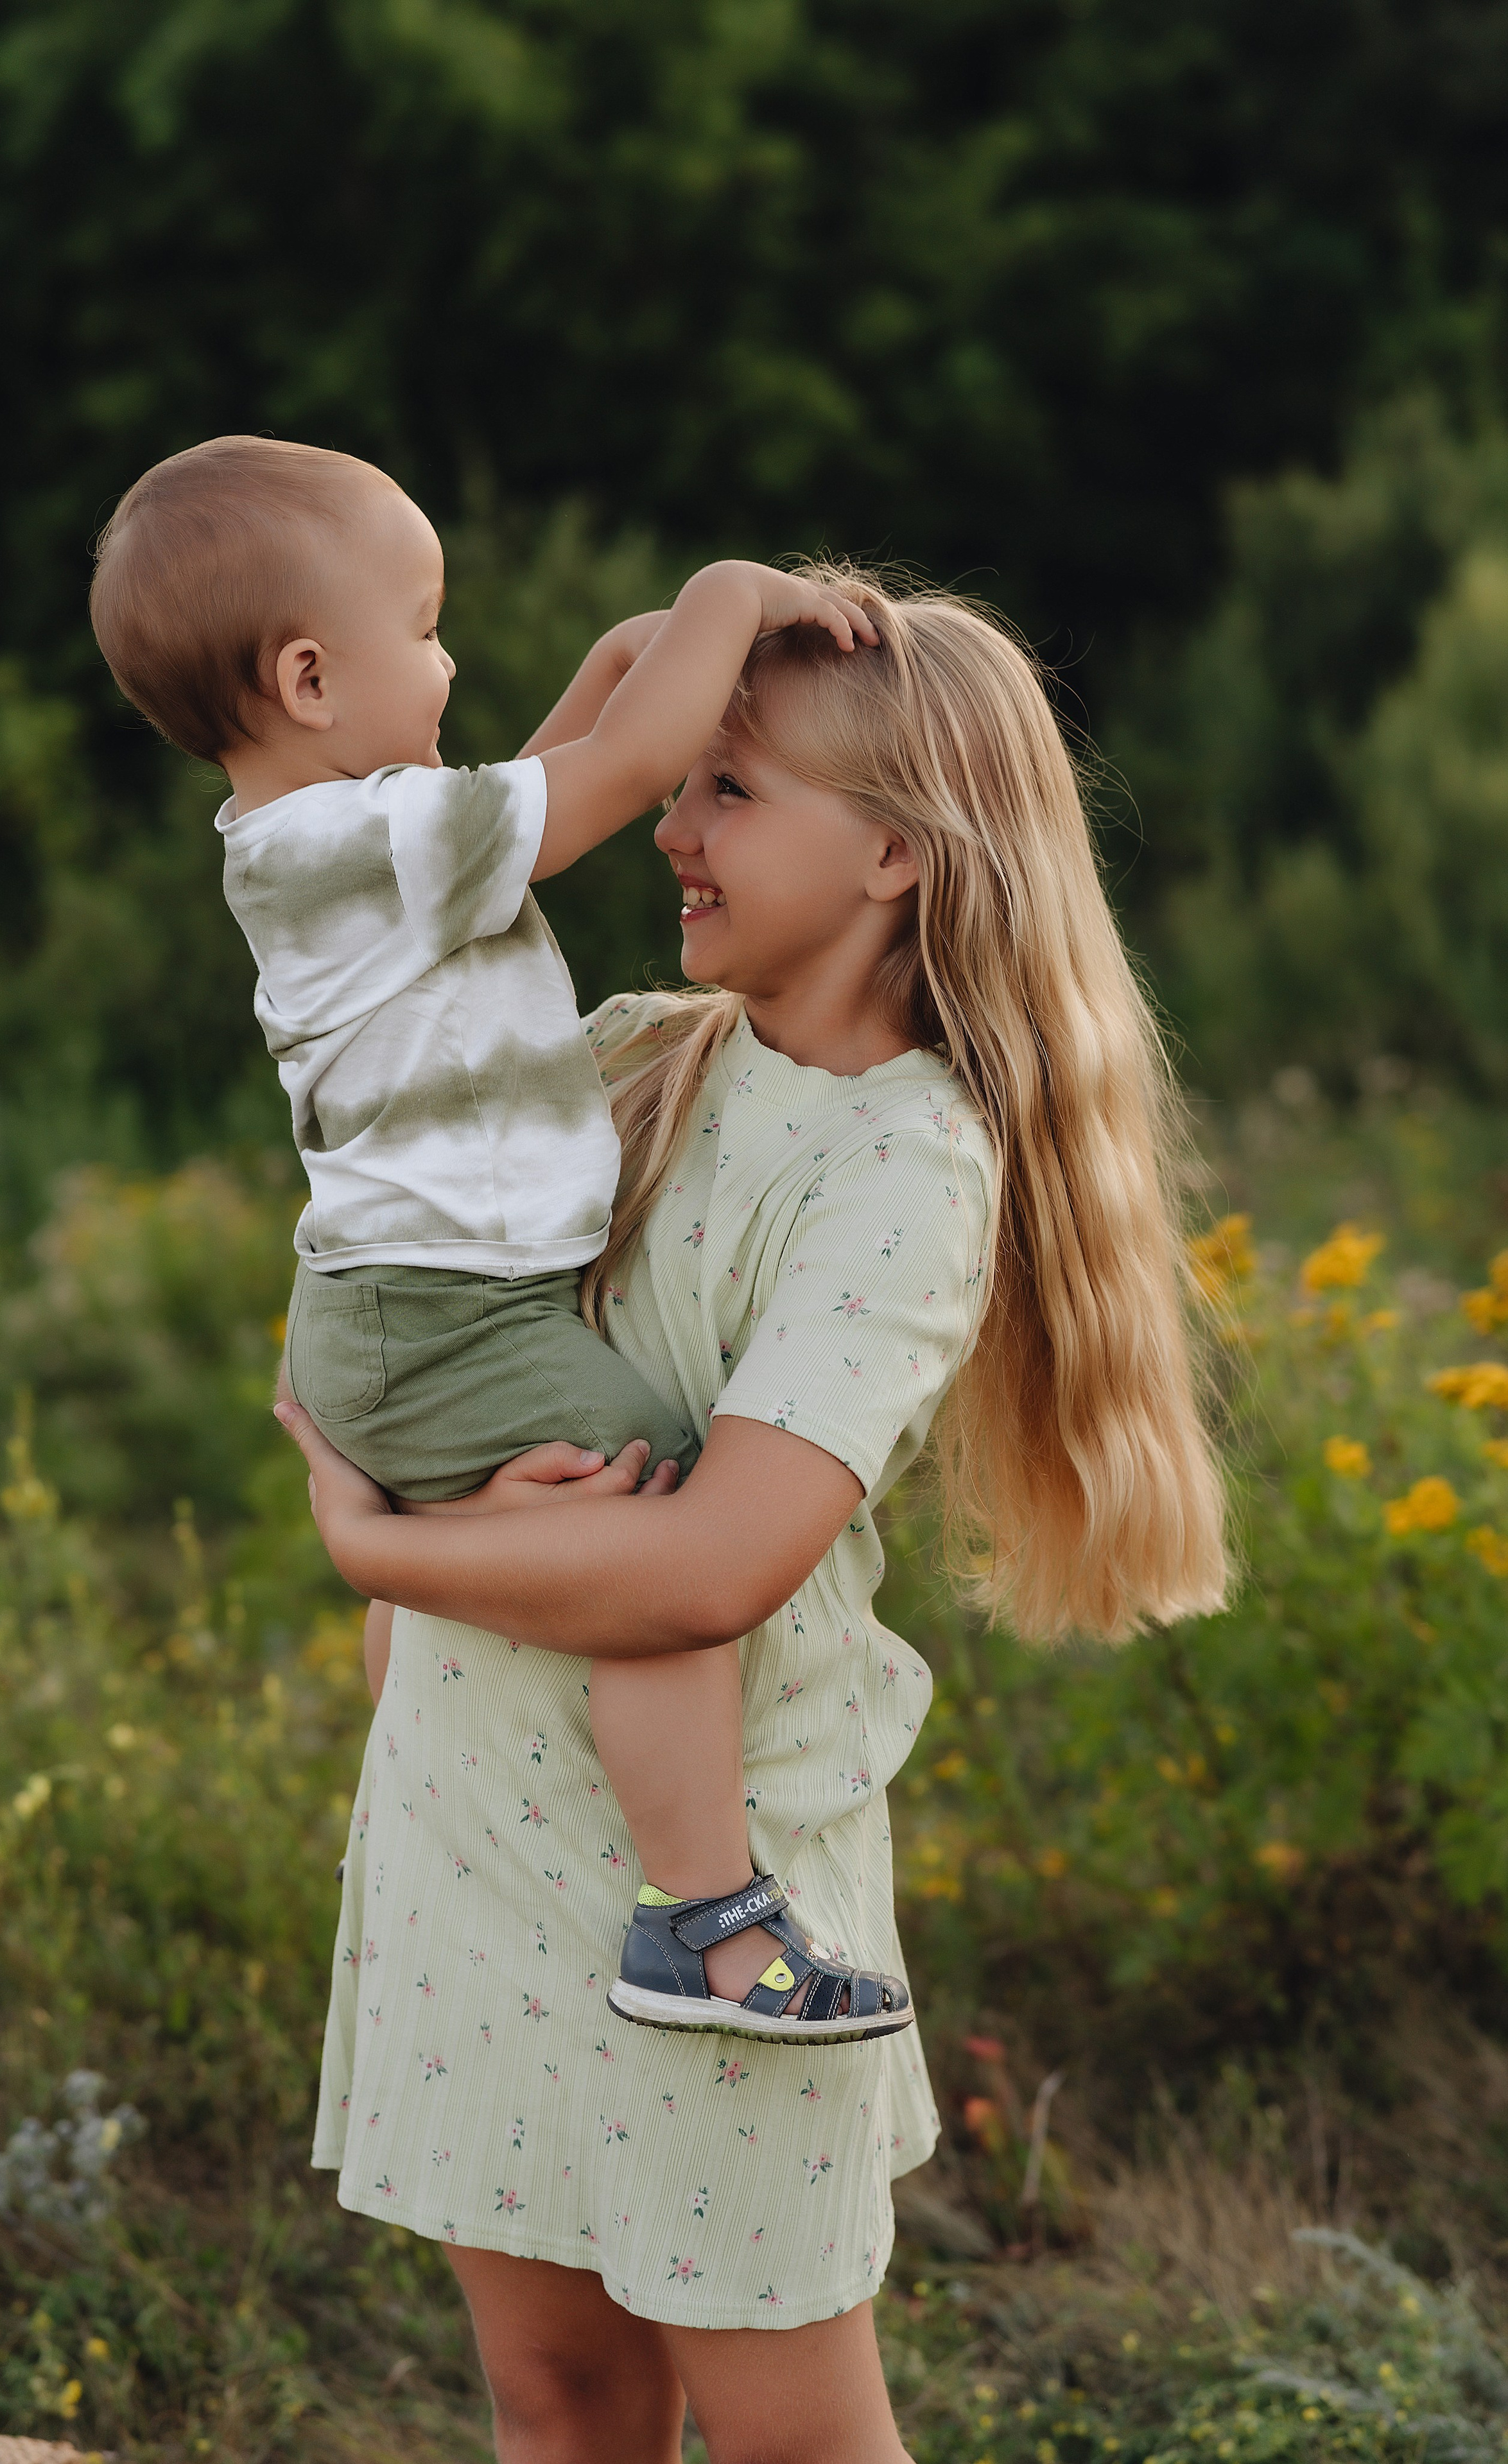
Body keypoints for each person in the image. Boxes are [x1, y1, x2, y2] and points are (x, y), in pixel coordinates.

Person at [275, 562, 1230, 2464]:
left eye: (728, 791)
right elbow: (396, 1298)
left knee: (794, 2437)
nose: (673, 832)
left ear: (893, 853)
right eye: (682, 782)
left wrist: (377, 1546)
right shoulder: (633, 1053)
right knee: (559, 2405)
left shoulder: (903, 1167)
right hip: (474, 1830)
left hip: (708, 1925)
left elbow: (716, 1562)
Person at [89, 434, 906, 2042]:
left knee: (571, 1520)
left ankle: (430, 1771)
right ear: (313, 676)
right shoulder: (359, 842)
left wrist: (631, 650)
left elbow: (576, 759)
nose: (451, 656)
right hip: (438, 1316)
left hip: (415, 1310)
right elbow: (606, 776)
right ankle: (711, 1927)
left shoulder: (353, 839)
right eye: (427, 619)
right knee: (657, 1526)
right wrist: (734, 594)